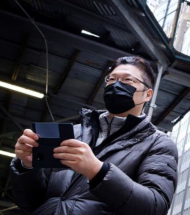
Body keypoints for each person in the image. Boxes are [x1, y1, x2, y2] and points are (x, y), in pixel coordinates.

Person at [10, 56, 178, 215]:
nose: (116, 85)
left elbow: (155, 206)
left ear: (148, 94)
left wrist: (97, 171)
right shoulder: (73, 133)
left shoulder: (158, 143)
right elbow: (29, 203)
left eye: (128, 80)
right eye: (111, 79)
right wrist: (27, 166)